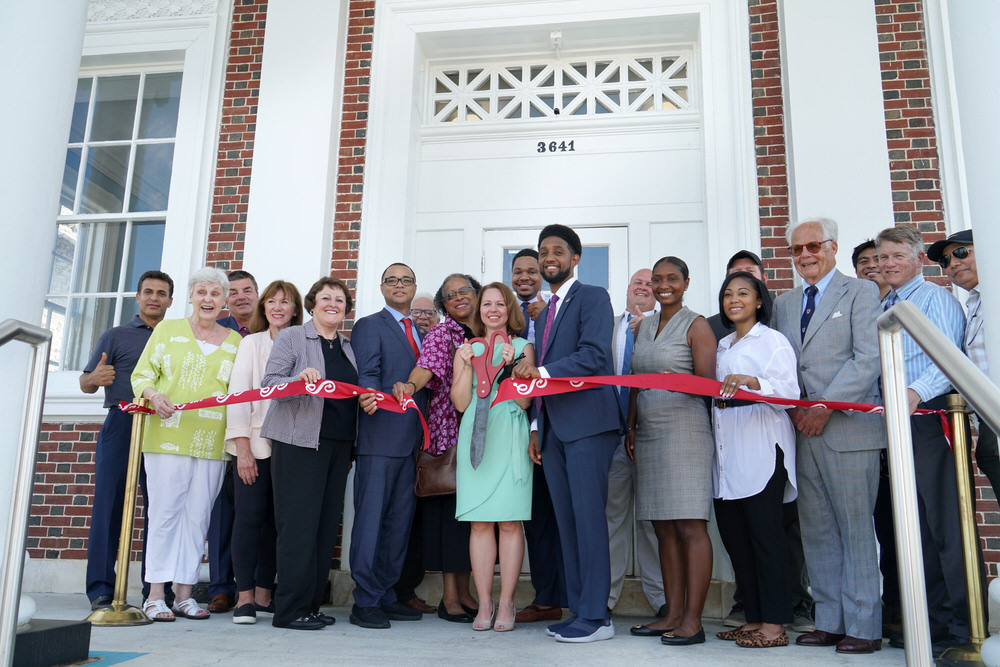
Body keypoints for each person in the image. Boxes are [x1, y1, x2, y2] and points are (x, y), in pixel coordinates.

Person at [772, 218, 884, 655]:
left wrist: (826, 405)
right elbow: (783, 365)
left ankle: (864, 626)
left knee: (855, 528)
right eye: (796, 250)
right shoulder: (785, 303)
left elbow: (867, 358)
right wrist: (800, 410)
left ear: (833, 247)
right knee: (817, 530)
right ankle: (830, 620)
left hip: (848, 429)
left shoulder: (861, 292)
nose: (805, 256)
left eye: (813, 246)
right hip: (802, 431)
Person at [513, 224, 620, 643]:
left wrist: (540, 372)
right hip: (554, 429)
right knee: (567, 523)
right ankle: (580, 611)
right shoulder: (546, 309)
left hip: (589, 426)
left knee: (589, 521)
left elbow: (594, 355)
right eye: (544, 251)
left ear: (575, 258)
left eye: (558, 250)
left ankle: (597, 617)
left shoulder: (592, 296)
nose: (549, 256)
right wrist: (538, 425)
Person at [707, 250, 814, 634]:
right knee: (738, 544)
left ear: (758, 301)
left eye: (743, 293)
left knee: (767, 542)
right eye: (727, 294)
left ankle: (775, 623)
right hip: (726, 460)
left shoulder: (773, 341)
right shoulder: (721, 347)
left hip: (762, 455)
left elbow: (789, 392)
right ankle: (753, 618)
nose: (734, 300)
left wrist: (754, 383)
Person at [877, 224, 972, 655]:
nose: (887, 264)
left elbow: (950, 358)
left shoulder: (936, 299)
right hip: (894, 425)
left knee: (945, 527)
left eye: (897, 255)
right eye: (882, 257)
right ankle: (931, 625)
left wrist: (912, 393)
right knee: (914, 529)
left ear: (918, 259)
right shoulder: (885, 304)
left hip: (930, 421)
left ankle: (963, 628)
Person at [130, 267, 242, 622]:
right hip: (167, 435)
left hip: (211, 442)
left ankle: (184, 594)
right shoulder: (167, 330)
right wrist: (153, 394)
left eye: (215, 293)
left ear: (224, 300)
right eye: (202, 292)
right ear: (191, 296)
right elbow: (142, 374)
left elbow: (238, 394)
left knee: (197, 518)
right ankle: (155, 594)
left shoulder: (235, 341)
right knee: (165, 514)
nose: (208, 299)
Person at [260, 276, 368, 630]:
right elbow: (269, 386)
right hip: (299, 443)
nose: (333, 304)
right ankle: (289, 610)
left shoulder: (347, 347)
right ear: (312, 304)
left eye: (340, 300)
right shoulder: (293, 337)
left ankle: (309, 605)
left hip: (338, 446)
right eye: (326, 298)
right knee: (298, 527)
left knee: (324, 529)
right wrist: (297, 381)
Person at [626, 256, 715, 647]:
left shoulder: (697, 325)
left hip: (686, 431)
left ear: (686, 282)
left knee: (689, 525)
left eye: (672, 279)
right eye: (657, 279)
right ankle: (672, 614)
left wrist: (678, 381)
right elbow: (633, 379)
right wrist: (630, 425)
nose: (663, 286)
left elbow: (709, 385)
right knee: (662, 527)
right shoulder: (643, 325)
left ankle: (693, 620)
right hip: (648, 431)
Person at [82, 270, 174, 612]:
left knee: (160, 509)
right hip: (122, 422)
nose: (154, 298)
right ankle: (101, 590)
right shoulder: (115, 335)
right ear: (138, 297)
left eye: (161, 293)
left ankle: (154, 591)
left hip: (161, 426)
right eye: (148, 292)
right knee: (109, 507)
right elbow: (86, 383)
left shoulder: (175, 337)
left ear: (170, 301)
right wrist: (94, 378)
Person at [392, 274, 482, 623]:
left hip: (487, 435)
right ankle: (450, 598)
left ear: (477, 295)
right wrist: (410, 385)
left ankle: (466, 591)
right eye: (450, 295)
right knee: (450, 518)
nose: (458, 297)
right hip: (451, 433)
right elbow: (426, 367)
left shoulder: (490, 332)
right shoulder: (444, 333)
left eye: (464, 291)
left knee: (471, 519)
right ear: (443, 305)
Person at [348, 263, 429, 629]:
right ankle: (364, 601)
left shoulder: (423, 332)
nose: (399, 285)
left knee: (399, 524)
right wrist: (368, 396)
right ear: (382, 287)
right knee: (371, 522)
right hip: (379, 438)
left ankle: (386, 594)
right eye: (392, 280)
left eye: (406, 280)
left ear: (414, 287)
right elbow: (367, 373)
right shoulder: (370, 325)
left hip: (413, 442)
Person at [452, 282, 534, 632]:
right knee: (480, 523)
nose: (494, 309)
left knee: (510, 522)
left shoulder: (522, 347)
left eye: (501, 303)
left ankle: (506, 602)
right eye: (487, 304)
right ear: (478, 310)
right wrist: (468, 366)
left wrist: (513, 367)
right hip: (475, 435)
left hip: (510, 435)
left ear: (509, 309)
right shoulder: (466, 349)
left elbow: (525, 401)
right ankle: (484, 602)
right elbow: (460, 403)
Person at [223, 280, 303, 625]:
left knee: (278, 523)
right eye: (271, 301)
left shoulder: (305, 343)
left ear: (295, 309)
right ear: (264, 307)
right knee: (249, 518)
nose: (277, 307)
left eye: (285, 302)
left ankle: (264, 593)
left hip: (293, 447)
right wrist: (242, 448)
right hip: (256, 445)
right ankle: (243, 598)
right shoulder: (251, 344)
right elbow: (239, 394)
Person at [509, 248, 567, 626]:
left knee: (556, 513)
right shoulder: (503, 312)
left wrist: (536, 426)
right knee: (534, 520)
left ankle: (565, 595)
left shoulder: (554, 310)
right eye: (518, 271)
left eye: (532, 270)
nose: (525, 276)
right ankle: (546, 596)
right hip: (512, 428)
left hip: (549, 423)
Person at [606, 269, 665, 617]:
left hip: (653, 435)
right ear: (626, 289)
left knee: (653, 521)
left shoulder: (665, 328)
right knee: (611, 519)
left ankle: (661, 599)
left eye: (650, 284)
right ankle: (606, 599)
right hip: (612, 437)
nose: (643, 288)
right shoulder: (607, 325)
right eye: (637, 283)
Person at [927, 229, 1000, 500]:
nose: (953, 263)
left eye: (961, 253)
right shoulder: (975, 304)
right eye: (945, 261)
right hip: (989, 423)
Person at [852, 238, 901, 637]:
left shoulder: (902, 307)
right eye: (865, 262)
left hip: (904, 430)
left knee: (900, 526)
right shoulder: (860, 307)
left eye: (878, 260)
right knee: (876, 525)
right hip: (866, 432)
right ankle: (886, 610)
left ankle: (904, 611)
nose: (873, 267)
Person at [208, 269, 259, 613]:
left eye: (247, 290)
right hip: (215, 432)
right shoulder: (216, 332)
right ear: (226, 299)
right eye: (234, 292)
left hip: (255, 433)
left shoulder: (269, 329)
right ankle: (221, 586)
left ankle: (255, 585)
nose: (241, 296)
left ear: (257, 294)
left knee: (255, 514)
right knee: (222, 513)